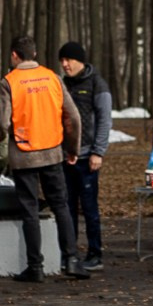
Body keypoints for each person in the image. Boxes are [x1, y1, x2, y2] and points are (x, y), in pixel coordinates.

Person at [0, 37, 85, 281]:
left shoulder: (9, 82)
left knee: (29, 210)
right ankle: (72, 260)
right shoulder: (53, 77)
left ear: (14, 56)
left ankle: (36, 267)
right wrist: (72, 148)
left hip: (23, 155)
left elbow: (2, 121)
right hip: (52, 151)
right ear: (34, 54)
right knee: (61, 205)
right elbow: (73, 116)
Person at [57, 42, 112, 270]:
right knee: (67, 208)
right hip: (65, 157)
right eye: (62, 60)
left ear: (80, 60)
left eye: (68, 60)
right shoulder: (62, 84)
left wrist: (98, 151)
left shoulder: (97, 85)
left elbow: (104, 120)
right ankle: (69, 253)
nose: (65, 64)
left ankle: (95, 253)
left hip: (88, 156)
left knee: (89, 208)